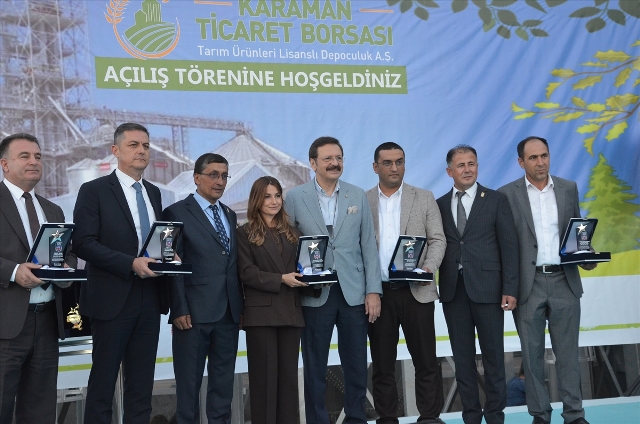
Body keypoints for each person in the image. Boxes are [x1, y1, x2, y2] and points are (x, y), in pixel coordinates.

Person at [73, 123, 169, 424]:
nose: (142, 151)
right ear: (115, 150)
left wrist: (168, 255)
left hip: (149, 297)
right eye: (133, 145)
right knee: (103, 384)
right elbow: (83, 243)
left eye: (146, 146)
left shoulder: (153, 192)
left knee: (141, 384)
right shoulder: (94, 190)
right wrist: (130, 263)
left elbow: (151, 241)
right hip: (111, 298)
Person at [498, 136, 596, 424]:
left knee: (568, 354)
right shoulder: (507, 194)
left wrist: (587, 254)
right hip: (528, 285)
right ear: (521, 162)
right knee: (532, 356)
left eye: (544, 156)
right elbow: (506, 245)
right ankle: (540, 415)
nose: (540, 162)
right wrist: (508, 287)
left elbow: (576, 231)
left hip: (565, 280)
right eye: (533, 158)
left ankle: (574, 415)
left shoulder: (568, 188)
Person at [284, 136, 382, 424]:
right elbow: (287, 245)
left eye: (338, 158)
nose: (334, 163)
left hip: (354, 292)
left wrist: (373, 291)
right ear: (313, 163)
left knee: (356, 363)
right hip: (314, 294)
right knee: (314, 365)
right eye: (327, 158)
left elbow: (369, 246)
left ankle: (356, 418)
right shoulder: (295, 197)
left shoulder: (357, 195)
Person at [435, 144, 519, 424]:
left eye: (472, 164)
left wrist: (510, 288)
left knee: (494, 358)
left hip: (489, 291)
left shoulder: (495, 200)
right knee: (463, 359)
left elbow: (509, 247)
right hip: (453, 292)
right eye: (461, 165)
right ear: (449, 171)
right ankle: (471, 416)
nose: (467, 169)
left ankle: (495, 416)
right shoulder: (439, 205)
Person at [365, 142, 447, 424]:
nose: (394, 168)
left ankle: (429, 417)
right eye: (387, 163)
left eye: (399, 161)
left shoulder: (424, 197)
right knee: (382, 364)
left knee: (426, 361)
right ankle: (387, 418)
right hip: (379, 294)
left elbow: (438, 239)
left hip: (417, 291)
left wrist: (428, 268)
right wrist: (369, 289)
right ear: (375, 167)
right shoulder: (363, 201)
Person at [0, 133, 77, 423]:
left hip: (46, 323)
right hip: (6, 326)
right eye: (25, 156)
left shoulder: (52, 209)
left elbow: (68, 254)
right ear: (5, 164)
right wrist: (13, 272)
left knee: (40, 412)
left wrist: (65, 270)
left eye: (38, 156)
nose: (34, 161)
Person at [163, 153, 243, 424]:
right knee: (189, 387)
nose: (220, 181)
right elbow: (171, 265)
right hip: (193, 315)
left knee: (223, 385)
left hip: (228, 313)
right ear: (197, 178)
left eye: (224, 176)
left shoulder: (229, 214)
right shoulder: (175, 212)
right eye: (213, 175)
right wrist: (178, 308)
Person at [237, 176, 310, 424]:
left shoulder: (294, 234)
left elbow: (303, 270)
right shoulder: (244, 233)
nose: (274, 201)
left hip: (291, 313)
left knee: (288, 383)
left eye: (277, 195)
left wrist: (316, 279)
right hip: (261, 317)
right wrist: (281, 279)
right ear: (256, 200)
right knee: (264, 383)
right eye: (267, 196)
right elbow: (246, 272)